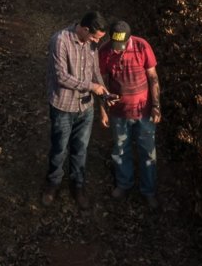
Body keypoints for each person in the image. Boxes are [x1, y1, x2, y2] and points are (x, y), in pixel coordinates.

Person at [43, 11, 111, 208]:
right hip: (63, 106)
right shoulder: (60, 40)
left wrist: (104, 93)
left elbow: (95, 71)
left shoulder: (91, 43)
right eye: (95, 37)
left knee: (80, 149)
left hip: (85, 107)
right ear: (85, 29)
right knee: (59, 149)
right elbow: (61, 77)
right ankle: (53, 184)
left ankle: (77, 186)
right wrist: (92, 87)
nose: (96, 42)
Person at [98, 19, 161, 209]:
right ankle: (124, 184)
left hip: (143, 111)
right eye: (115, 45)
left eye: (122, 45)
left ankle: (148, 190)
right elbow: (101, 82)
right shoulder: (105, 51)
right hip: (119, 112)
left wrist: (156, 105)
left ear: (129, 38)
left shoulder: (142, 47)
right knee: (120, 149)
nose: (118, 50)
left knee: (148, 152)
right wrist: (103, 109)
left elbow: (153, 77)